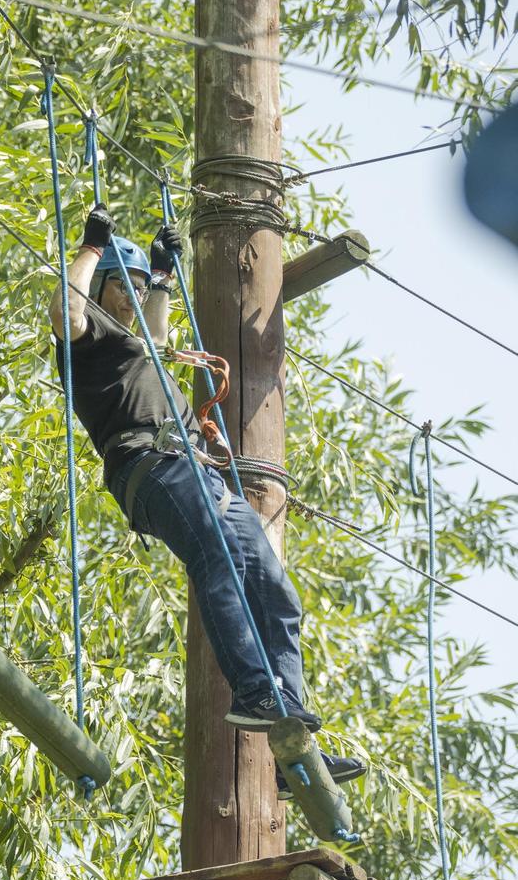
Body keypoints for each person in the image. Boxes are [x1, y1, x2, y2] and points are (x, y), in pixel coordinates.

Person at [49, 204, 366, 796]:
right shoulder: (89, 337)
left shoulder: (139, 342)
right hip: (152, 466)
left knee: (274, 588)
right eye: (131, 287)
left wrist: (164, 278)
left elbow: (161, 336)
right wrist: (91, 248)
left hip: (197, 470)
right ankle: (254, 693)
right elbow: (64, 312)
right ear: (108, 288)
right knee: (217, 558)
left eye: (143, 288)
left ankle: (291, 740)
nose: (139, 298)